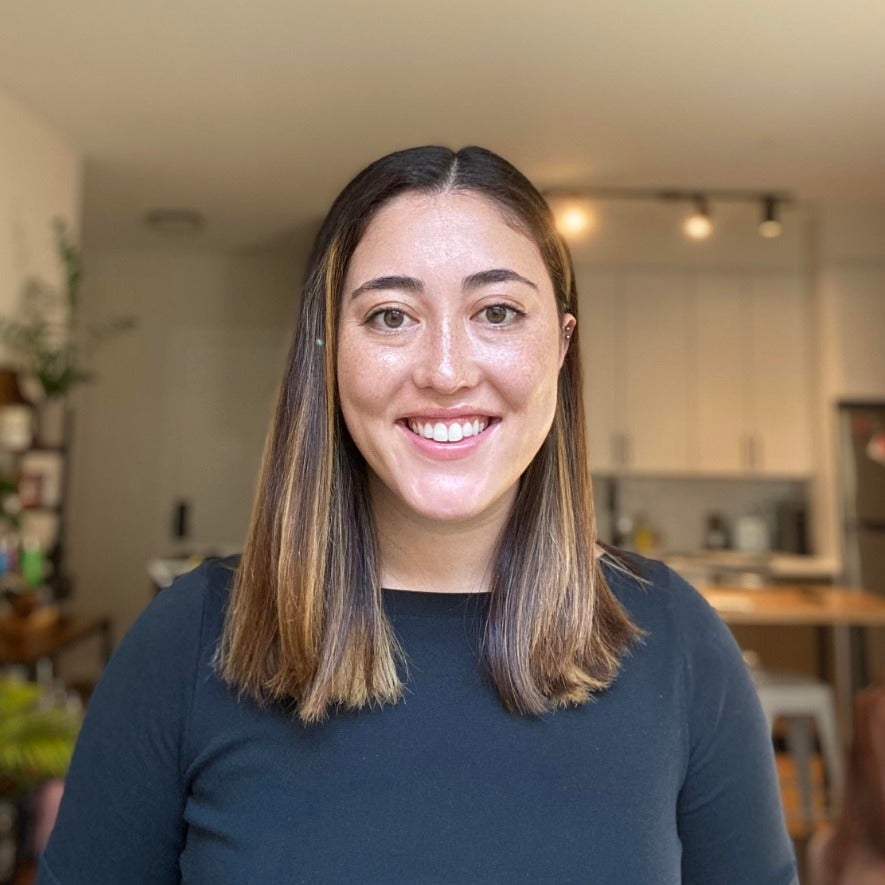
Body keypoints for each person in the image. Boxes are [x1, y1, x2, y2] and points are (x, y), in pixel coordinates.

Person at [39, 146, 798, 884]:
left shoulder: (676, 641)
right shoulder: (188, 642)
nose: (444, 370)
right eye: (390, 316)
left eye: (496, 311)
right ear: (328, 347)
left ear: (561, 348)